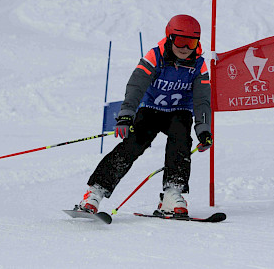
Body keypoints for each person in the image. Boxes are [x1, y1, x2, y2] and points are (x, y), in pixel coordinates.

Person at [78, 14, 212, 217]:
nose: (185, 48)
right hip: (150, 110)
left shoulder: (199, 65)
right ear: (169, 37)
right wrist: (126, 115)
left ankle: (172, 193)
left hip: (179, 112)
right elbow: (136, 85)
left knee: (181, 141)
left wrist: (203, 130)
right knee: (132, 146)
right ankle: (95, 192)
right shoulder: (155, 56)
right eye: (180, 41)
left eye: (191, 42)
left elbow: (202, 100)